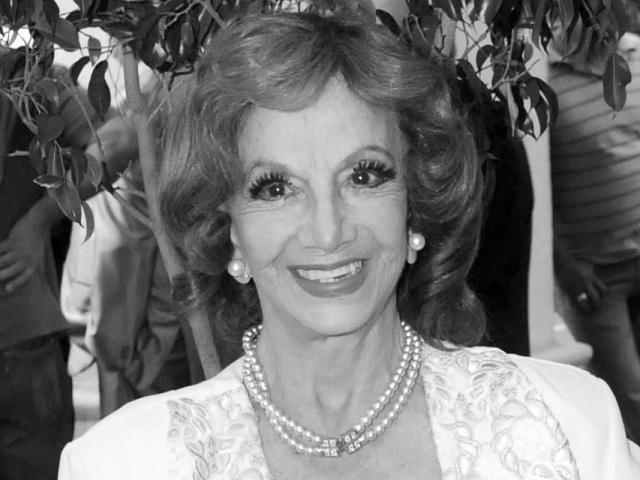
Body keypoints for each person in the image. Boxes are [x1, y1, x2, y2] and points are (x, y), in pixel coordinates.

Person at [59, 11, 640, 479]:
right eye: (276, 187)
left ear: (414, 203)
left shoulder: (568, 427)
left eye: (364, 176)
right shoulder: (122, 463)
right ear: (227, 228)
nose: (329, 230)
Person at [0, 54, 98, 479]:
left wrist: (40, 220)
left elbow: (116, 143)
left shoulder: (29, 76)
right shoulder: (27, 74)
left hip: (23, 331)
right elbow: (115, 144)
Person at [549, 29, 640, 442]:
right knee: (628, 400)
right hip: (597, 277)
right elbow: (536, 185)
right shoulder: (545, 82)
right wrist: (564, 265)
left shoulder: (634, 56)